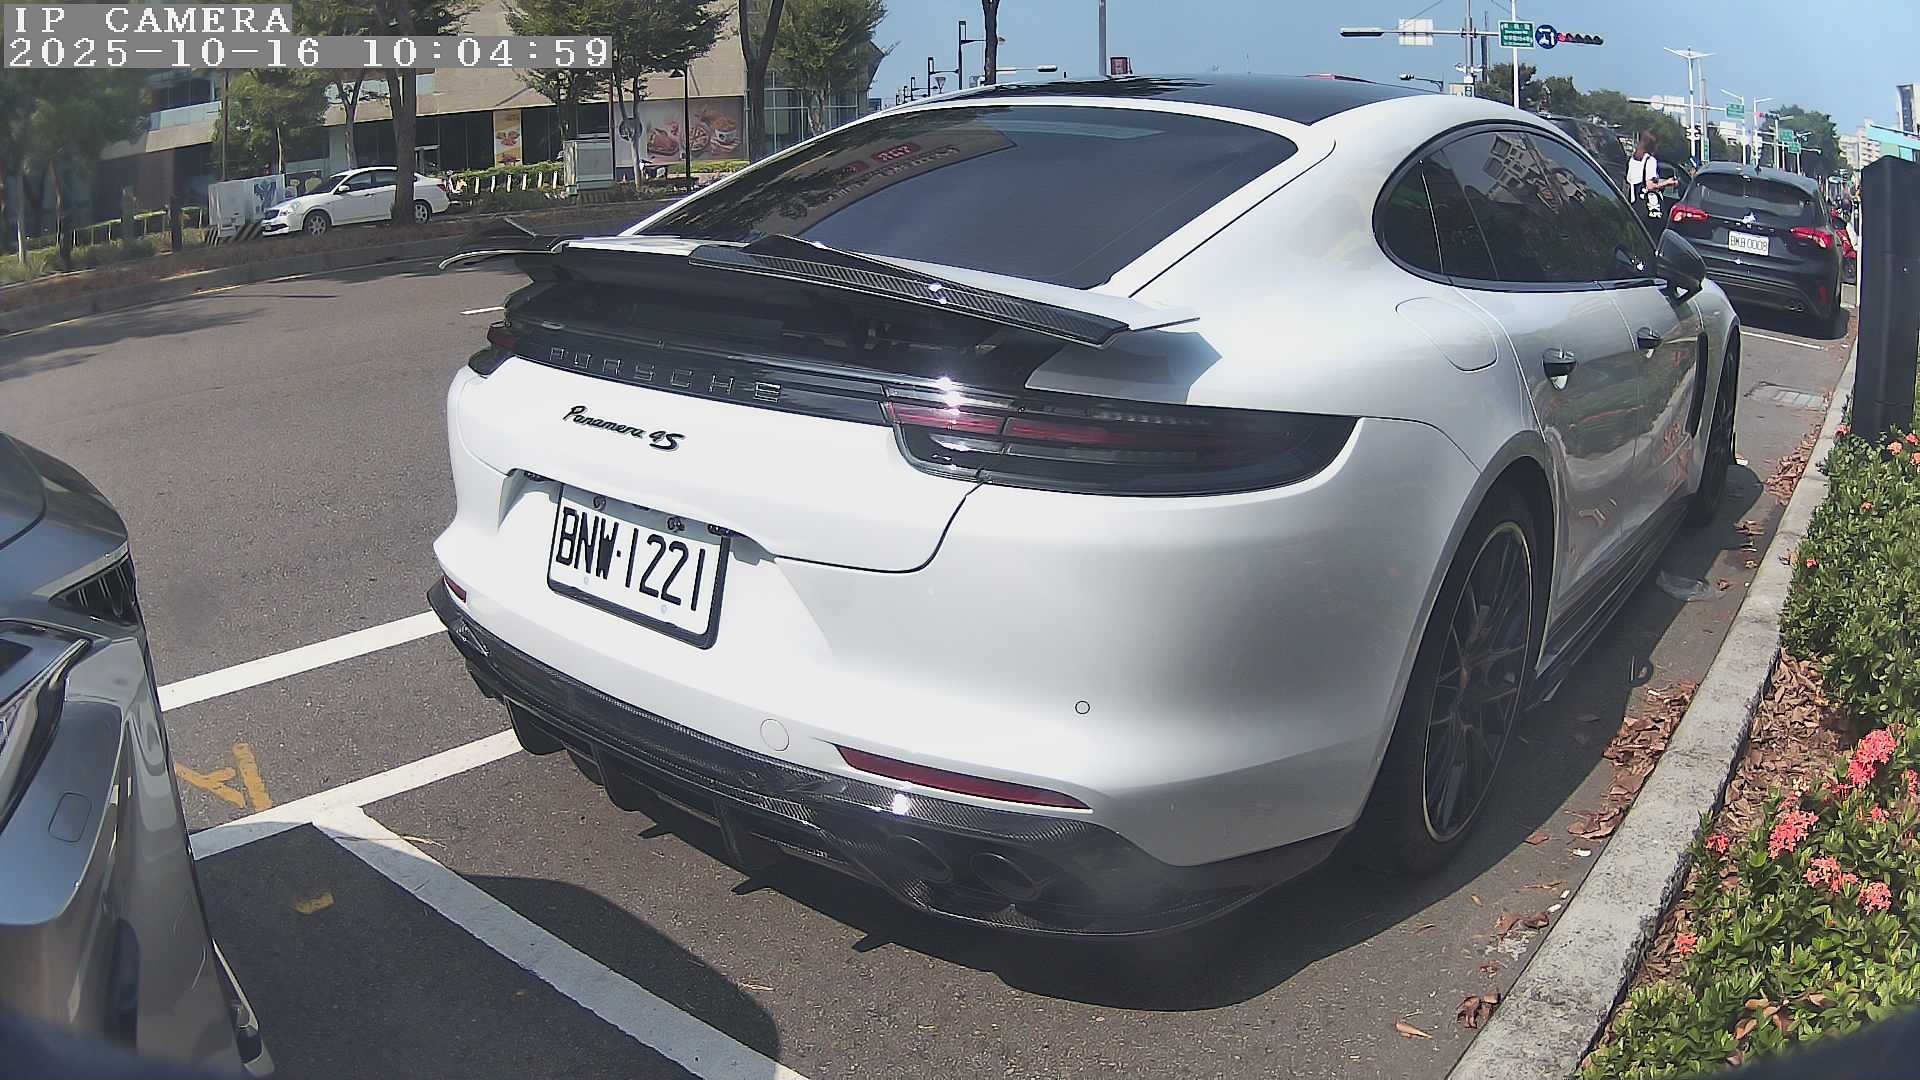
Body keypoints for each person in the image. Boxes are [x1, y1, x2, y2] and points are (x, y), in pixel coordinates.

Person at [1626, 132, 1679, 232]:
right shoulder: (1650, 161)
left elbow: (1629, 180)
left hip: (1634, 204)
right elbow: (1650, 186)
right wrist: (1668, 183)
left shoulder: (1632, 159)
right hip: (1649, 206)